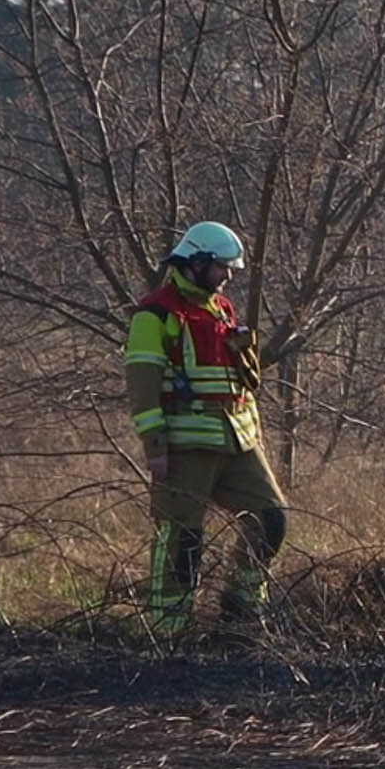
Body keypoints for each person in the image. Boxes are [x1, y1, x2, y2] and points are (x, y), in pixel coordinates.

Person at [125, 222, 285, 638]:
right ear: (195, 263)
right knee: (184, 540)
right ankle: (169, 630)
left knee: (271, 519)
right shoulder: (154, 314)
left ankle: (241, 611)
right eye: (221, 268)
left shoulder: (222, 309)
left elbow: (242, 382)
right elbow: (142, 389)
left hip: (237, 441)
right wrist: (155, 448)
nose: (228, 277)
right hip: (185, 445)